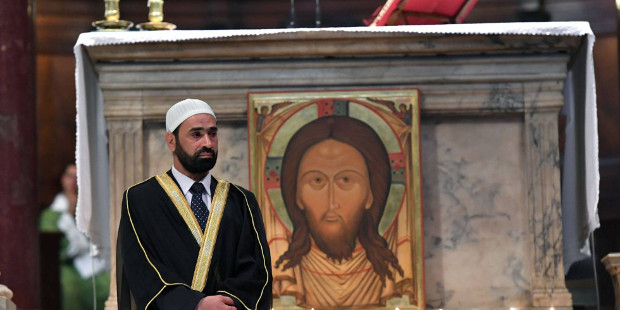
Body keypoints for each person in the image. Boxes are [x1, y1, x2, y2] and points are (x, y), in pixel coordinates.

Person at [117, 98, 272, 310]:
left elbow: (256, 270)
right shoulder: (140, 199)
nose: (207, 143)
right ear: (171, 141)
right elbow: (142, 270)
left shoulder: (242, 201)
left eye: (213, 133)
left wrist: (224, 303)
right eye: (196, 134)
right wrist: (195, 305)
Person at [274, 116, 405, 307]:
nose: (332, 202)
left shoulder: (393, 277)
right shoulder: (287, 278)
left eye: (346, 180)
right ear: (296, 196)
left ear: (371, 194)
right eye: (317, 181)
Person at [39, 163, 110, 310]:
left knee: (108, 287)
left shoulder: (91, 209)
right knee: (69, 290)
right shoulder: (51, 214)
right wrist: (68, 213)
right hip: (65, 265)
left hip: (91, 261)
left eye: (78, 178)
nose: (74, 181)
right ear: (63, 179)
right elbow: (51, 246)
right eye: (70, 176)